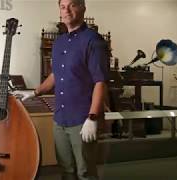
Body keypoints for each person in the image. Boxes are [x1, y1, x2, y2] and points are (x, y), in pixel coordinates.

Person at [14, 0, 109, 179]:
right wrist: (34, 92)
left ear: (82, 8)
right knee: (66, 171)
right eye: (62, 7)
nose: (66, 10)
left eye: (72, 5)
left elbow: (100, 82)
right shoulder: (59, 42)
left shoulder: (93, 40)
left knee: (85, 172)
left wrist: (92, 117)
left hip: (82, 119)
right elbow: (55, 75)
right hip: (60, 118)